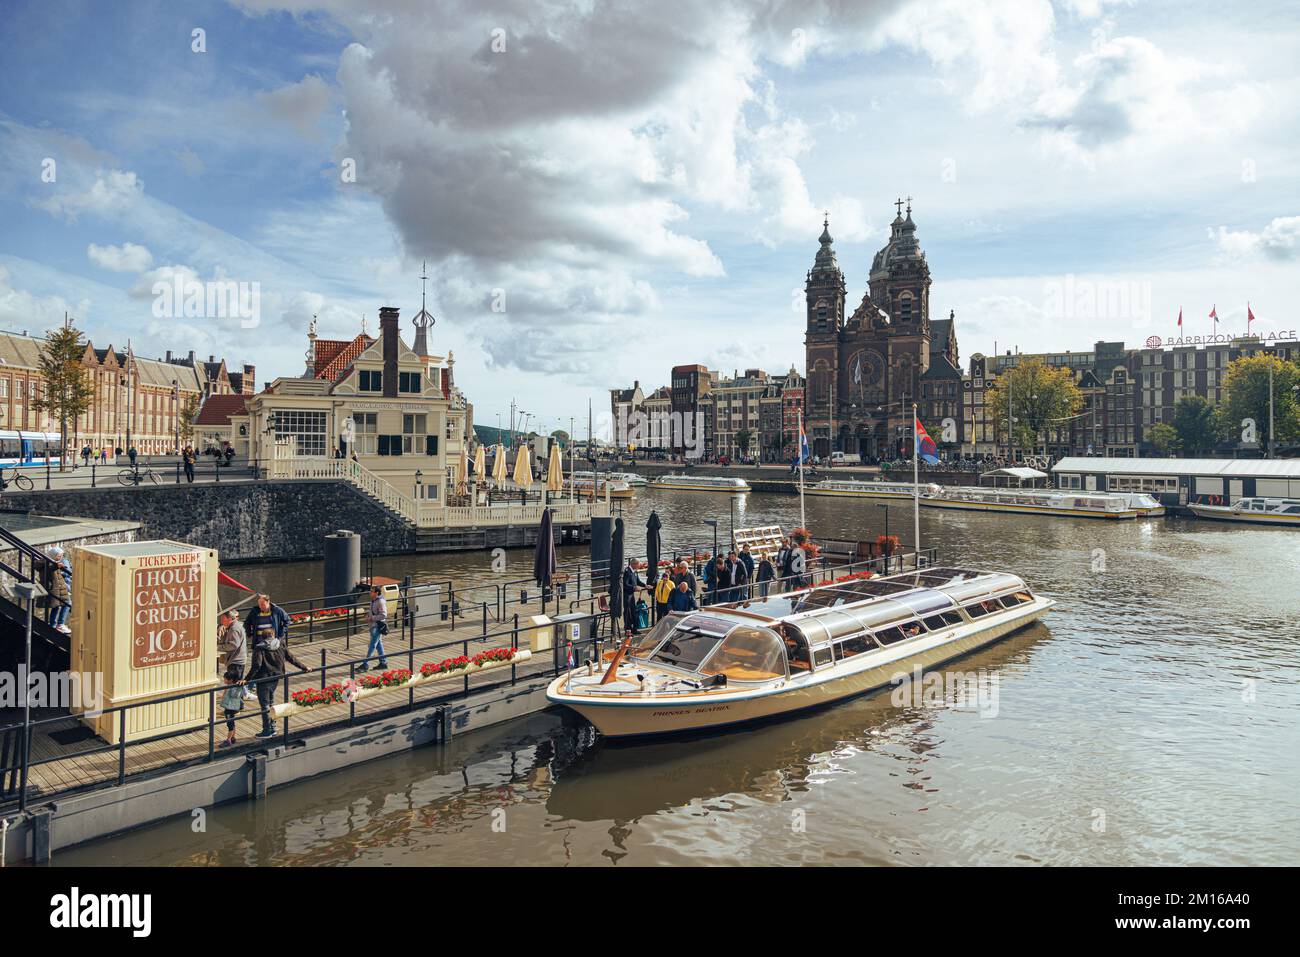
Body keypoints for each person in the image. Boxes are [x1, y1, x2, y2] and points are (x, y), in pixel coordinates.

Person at [242, 593, 308, 738]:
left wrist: (247, 680)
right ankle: (273, 728)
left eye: (262, 603)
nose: (260, 606)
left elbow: (256, 666)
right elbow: (291, 658)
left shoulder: (260, 648)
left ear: (268, 602)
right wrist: (305, 668)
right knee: (271, 702)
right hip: (276, 675)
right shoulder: (280, 646)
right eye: (259, 604)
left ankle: (267, 731)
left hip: (264, 677)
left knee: (265, 705)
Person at [360, 584, 389, 672]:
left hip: (377, 626)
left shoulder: (380, 602)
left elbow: (384, 615)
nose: (370, 593)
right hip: (373, 626)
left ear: (376, 593)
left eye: (371, 591)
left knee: (372, 645)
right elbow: (372, 610)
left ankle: (365, 664)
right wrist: (368, 614)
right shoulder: (373, 600)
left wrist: (371, 618)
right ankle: (383, 662)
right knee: (378, 644)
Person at [46, 547, 72, 634]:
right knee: (67, 604)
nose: (60, 557)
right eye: (59, 556)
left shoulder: (54, 562)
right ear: (54, 556)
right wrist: (57, 566)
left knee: (57, 606)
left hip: (58, 588)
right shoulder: (51, 564)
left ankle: (53, 625)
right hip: (55, 588)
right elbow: (50, 570)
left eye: (61, 555)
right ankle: (59, 624)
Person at [217, 609, 248, 684]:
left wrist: (218, 647)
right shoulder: (235, 626)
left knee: (234, 684)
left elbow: (233, 645)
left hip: (236, 661)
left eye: (223, 619)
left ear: (230, 619)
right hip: (238, 660)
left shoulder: (234, 628)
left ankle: (242, 694)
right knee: (237, 683)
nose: (221, 621)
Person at [219, 668, 245, 748]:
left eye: (225, 679)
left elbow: (235, 695)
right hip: (230, 708)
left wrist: (238, 688)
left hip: (230, 708)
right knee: (232, 723)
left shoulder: (233, 687)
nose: (224, 680)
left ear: (230, 680)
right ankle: (233, 737)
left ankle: (228, 740)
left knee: (230, 724)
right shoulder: (231, 686)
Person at [621, 559, 645, 636]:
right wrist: (634, 588)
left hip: (632, 595)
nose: (639, 566)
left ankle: (634, 629)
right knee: (627, 612)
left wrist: (645, 585)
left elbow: (638, 581)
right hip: (627, 595)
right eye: (638, 565)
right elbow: (625, 584)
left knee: (633, 611)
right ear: (634, 564)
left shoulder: (634, 571)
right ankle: (627, 630)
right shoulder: (627, 572)